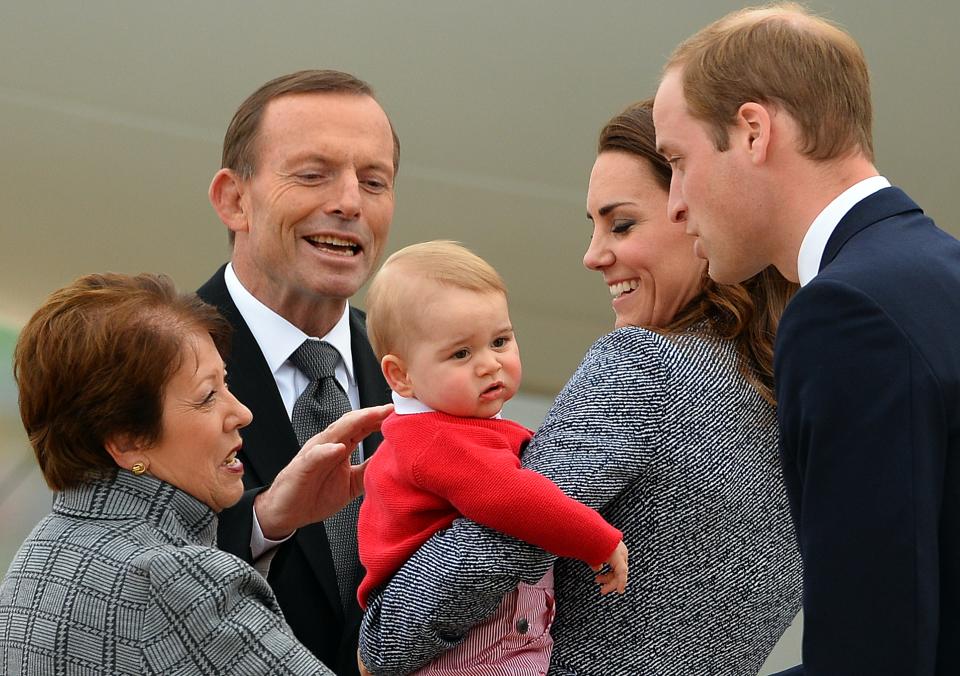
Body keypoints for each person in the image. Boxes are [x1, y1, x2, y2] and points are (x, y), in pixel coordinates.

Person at [358, 101, 801, 675]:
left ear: (697, 210)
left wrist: (377, 645)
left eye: (621, 224)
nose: (592, 256)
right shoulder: (795, 397)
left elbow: (480, 556)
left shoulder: (643, 364)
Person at [652, 5, 960, 675]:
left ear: (754, 132)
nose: (674, 203)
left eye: (677, 161)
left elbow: (872, 651)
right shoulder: (935, 273)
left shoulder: (847, 313)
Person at [0, 272, 390, 675]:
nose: (242, 413)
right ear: (127, 441)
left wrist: (271, 516)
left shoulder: (38, 554)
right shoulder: (174, 580)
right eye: (207, 396)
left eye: (227, 383)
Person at [199, 69, 398, 675]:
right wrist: (263, 525)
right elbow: (113, 568)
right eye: (313, 175)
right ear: (235, 200)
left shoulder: (422, 368)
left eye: (374, 181)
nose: (348, 203)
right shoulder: (151, 369)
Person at [358, 241, 629, 673]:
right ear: (401, 375)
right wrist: (597, 538)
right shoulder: (433, 439)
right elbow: (512, 496)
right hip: (467, 641)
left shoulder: (454, 426)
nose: (489, 364)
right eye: (461, 353)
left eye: (500, 341)